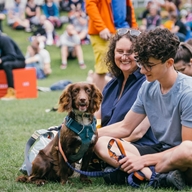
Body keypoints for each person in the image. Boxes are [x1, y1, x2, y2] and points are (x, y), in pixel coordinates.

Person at [94, 27, 192, 189]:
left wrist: (144, 160)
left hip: (182, 156)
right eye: (141, 63)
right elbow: (126, 127)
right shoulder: (148, 87)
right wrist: (85, 134)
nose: (142, 70)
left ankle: (144, 171)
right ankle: (153, 175)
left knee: (186, 150)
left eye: (149, 65)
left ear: (169, 63)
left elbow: (186, 145)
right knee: (103, 143)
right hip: (161, 150)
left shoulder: (187, 92)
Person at [89, 28, 158, 174]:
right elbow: (96, 118)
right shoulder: (112, 84)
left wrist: (91, 136)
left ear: (141, 54)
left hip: (140, 146)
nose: (124, 57)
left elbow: (137, 133)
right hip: (114, 144)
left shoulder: (149, 83)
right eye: (120, 51)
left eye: (130, 52)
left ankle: (149, 174)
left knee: (101, 144)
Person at [85, 0, 138, 92]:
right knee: (102, 69)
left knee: (130, 67)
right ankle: (98, 104)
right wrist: (101, 27)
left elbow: (129, 6)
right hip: (104, 32)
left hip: (124, 29)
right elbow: (90, 4)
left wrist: (134, 27)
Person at [0, 33, 26, 100]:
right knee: (5, 64)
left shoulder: (4, 39)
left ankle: (11, 91)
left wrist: (1, 59)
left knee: (6, 65)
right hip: (5, 61)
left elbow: (12, 55)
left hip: (19, 61)